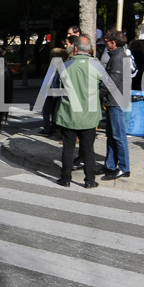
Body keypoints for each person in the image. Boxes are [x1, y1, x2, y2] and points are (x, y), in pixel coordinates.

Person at [55, 35, 103, 188]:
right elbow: (108, 86)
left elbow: (57, 87)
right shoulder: (97, 65)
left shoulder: (66, 65)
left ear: (75, 48)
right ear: (89, 49)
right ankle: (89, 181)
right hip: (89, 115)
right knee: (88, 149)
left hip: (69, 114)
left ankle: (65, 179)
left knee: (68, 148)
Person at [100, 30, 130, 180]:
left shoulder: (118, 58)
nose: (105, 43)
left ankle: (124, 167)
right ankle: (110, 164)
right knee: (112, 135)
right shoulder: (118, 56)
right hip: (113, 100)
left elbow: (112, 82)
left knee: (118, 135)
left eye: (107, 41)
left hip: (115, 100)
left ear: (113, 43)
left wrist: (97, 93)